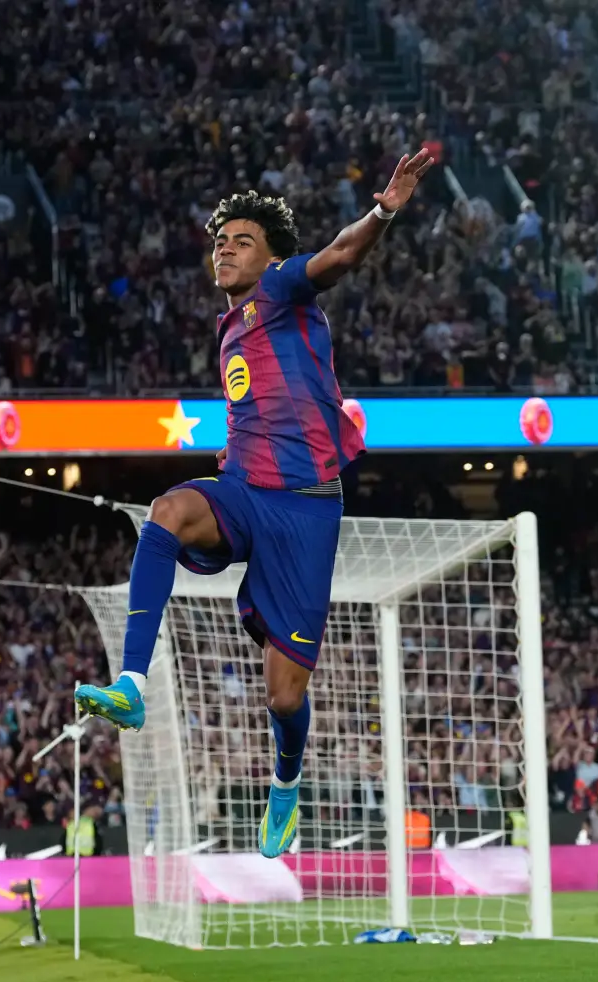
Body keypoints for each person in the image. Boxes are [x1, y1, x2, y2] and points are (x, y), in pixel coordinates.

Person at [73, 150, 436, 858]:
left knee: (283, 698)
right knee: (167, 513)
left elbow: (340, 256)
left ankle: (286, 782)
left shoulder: (280, 287)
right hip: (244, 490)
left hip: (305, 509)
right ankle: (132, 685)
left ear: (271, 257)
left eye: (242, 240)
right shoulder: (230, 326)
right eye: (220, 241)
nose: (225, 249)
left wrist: (383, 211)